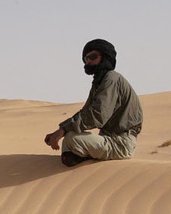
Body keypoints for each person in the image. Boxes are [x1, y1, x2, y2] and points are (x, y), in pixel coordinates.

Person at [44, 38, 143, 166]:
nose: (88, 61)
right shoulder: (99, 82)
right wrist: (60, 131)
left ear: (105, 57)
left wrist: (63, 130)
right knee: (69, 138)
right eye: (86, 58)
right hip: (107, 139)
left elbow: (97, 115)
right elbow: (86, 112)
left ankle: (85, 159)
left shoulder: (112, 79)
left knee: (71, 139)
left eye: (92, 57)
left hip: (120, 143)